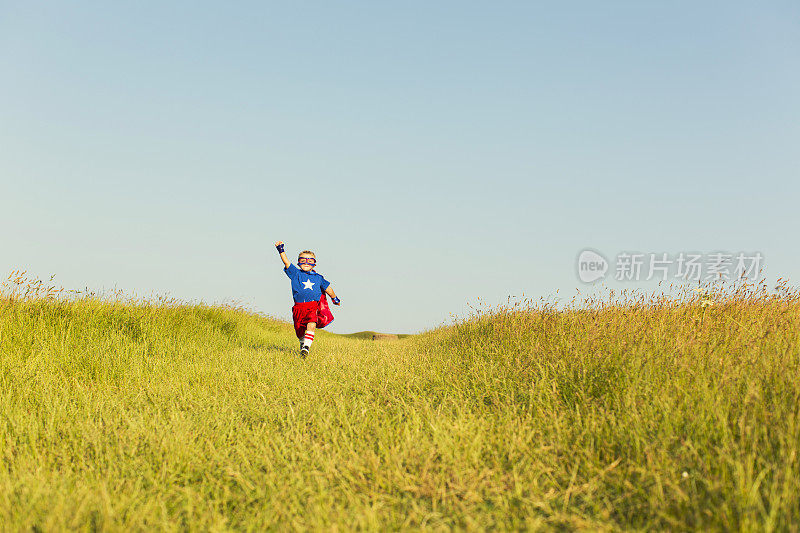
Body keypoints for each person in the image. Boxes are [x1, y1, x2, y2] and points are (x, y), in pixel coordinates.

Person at [274, 241, 341, 358]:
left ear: (314, 264)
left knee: (312, 323)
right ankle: (302, 342)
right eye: (303, 260)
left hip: (312, 306)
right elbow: (286, 262)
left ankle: (306, 347)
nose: (306, 263)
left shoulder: (319, 278)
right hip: (298, 307)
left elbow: (328, 288)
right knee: (299, 330)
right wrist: (281, 250)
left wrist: (334, 298)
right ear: (299, 262)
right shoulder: (295, 273)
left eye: (310, 260)